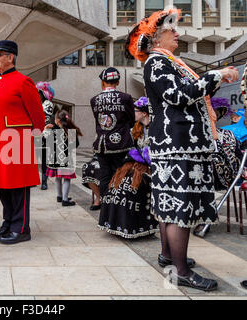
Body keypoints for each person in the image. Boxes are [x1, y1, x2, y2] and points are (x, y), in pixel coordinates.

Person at [126, 8, 239, 291]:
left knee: (169, 205)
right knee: (179, 207)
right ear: (154, 40)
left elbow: (187, 93)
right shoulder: (157, 63)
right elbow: (178, 95)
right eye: (170, 30)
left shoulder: (167, 62)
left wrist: (213, 80)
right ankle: (181, 271)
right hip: (179, 146)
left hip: (177, 145)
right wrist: (216, 75)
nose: (176, 33)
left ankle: (169, 255)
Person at [0, 40, 45, 244]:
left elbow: (37, 113)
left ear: (11, 57)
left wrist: (33, 135)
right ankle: (8, 222)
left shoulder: (23, 81)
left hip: (16, 140)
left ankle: (21, 228)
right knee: (2, 183)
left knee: (18, 186)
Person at [98, 97, 159, 238]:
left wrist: (144, 157)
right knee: (117, 185)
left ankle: (138, 225)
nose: (133, 113)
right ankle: (118, 223)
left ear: (144, 113)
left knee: (132, 188)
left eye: (135, 110)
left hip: (153, 167)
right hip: (136, 165)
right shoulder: (135, 128)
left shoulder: (157, 128)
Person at [82, 67, 136, 210]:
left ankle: (106, 209)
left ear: (103, 82)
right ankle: (119, 210)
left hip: (102, 145)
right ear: (117, 82)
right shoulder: (126, 98)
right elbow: (131, 120)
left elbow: (98, 121)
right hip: (121, 144)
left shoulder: (94, 100)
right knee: (121, 176)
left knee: (105, 177)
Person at [45, 110, 82, 206]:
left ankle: (59, 196)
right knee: (66, 179)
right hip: (66, 159)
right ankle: (65, 200)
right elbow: (76, 145)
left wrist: (45, 129)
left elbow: (45, 141)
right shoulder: (70, 131)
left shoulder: (52, 130)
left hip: (54, 159)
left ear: (57, 120)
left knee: (58, 178)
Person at [36, 81, 57, 190]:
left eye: (38, 92)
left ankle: (44, 181)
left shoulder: (47, 104)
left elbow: (46, 119)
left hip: (44, 135)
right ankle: (34, 180)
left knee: (43, 159)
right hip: (36, 133)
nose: (36, 94)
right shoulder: (37, 103)